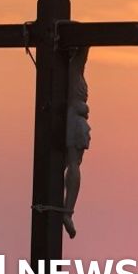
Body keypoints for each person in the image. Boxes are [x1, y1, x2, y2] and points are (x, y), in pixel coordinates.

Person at [63, 46, 90, 239]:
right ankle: (67, 212)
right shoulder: (72, 68)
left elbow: (84, 50)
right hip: (72, 120)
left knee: (72, 164)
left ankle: (67, 211)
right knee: (72, 164)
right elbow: (85, 46)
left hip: (75, 120)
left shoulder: (74, 69)